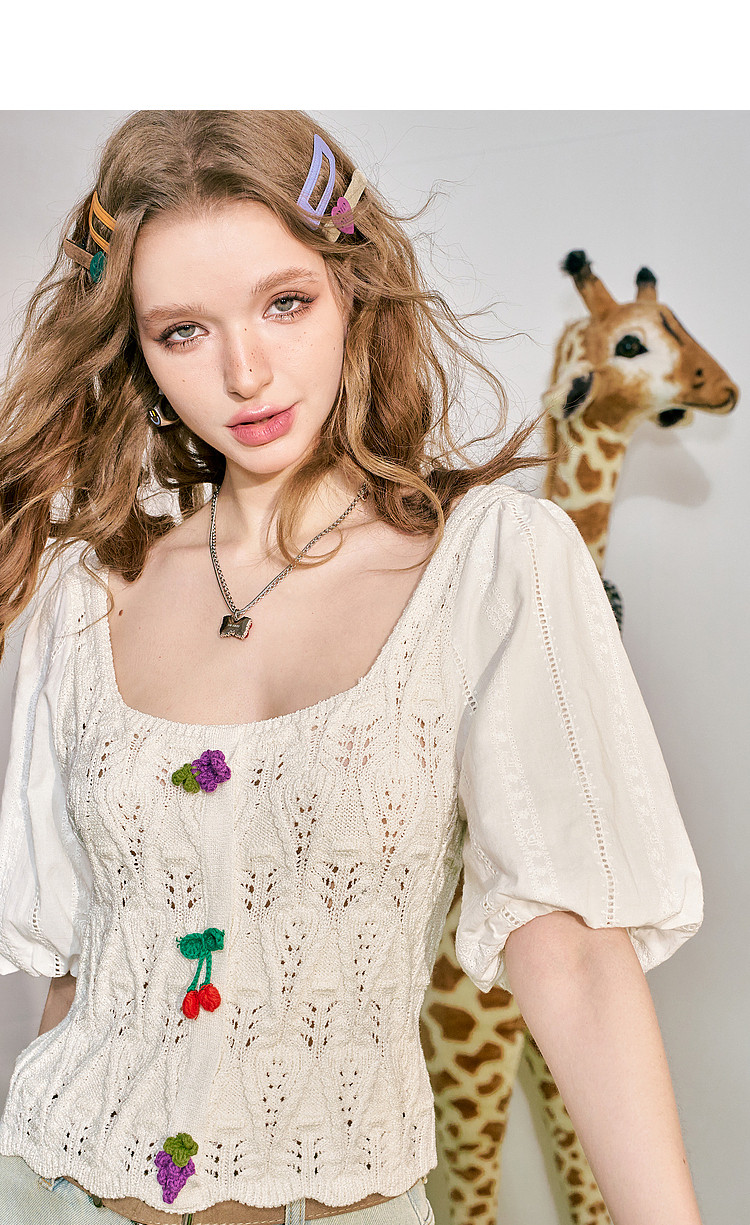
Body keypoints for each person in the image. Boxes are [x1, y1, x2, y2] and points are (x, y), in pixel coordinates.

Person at [0, 110, 704, 1225]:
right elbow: (84, 974)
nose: (245, 370)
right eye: (183, 330)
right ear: (137, 349)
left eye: (284, 302)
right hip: (54, 1187)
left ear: (351, 289)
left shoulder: (492, 564)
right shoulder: (89, 598)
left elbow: (572, 956)